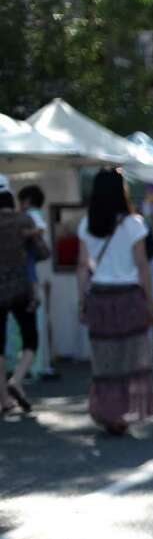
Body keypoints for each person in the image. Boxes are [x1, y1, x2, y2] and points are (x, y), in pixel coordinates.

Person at [75, 168, 153, 434]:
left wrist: (81, 301)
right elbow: (142, 265)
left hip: (99, 297)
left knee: (104, 359)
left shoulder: (87, 223)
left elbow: (81, 267)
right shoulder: (133, 224)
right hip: (129, 297)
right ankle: (120, 413)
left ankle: (107, 410)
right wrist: (150, 299)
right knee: (130, 358)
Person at [0, 176, 47, 415]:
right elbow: (43, 252)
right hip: (21, 288)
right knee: (31, 339)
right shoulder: (23, 220)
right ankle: (16, 380)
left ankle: (3, 399)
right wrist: (29, 237)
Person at [16, 184, 53, 378]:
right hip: (37, 277)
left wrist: (25, 234)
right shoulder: (37, 214)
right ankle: (35, 366)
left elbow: (39, 230)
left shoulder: (30, 216)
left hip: (29, 279)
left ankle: (32, 368)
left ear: (27, 200)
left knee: (30, 327)